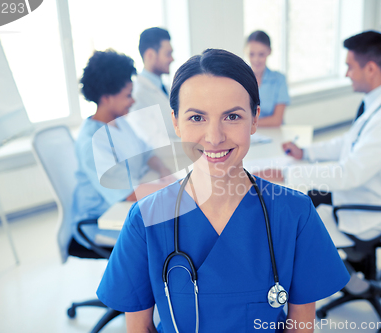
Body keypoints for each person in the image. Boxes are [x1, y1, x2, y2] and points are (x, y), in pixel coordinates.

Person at [96, 49, 349, 332]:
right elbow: (139, 328)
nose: (214, 137)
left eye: (232, 116)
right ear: (176, 122)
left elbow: (301, 327)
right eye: (196, 118)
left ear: (254, 119)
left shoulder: (295, 215)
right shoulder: (145, 219)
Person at [258, 31, 381, 248]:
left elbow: (348, 174)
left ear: (371, 69)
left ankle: (339, 279)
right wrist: (306, 153)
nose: (347, 74)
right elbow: (349, 142)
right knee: (303, 198)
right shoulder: (380, 103)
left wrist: (285, 173)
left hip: (371, 208)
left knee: (291, 222)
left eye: (350, 67)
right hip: (362, 191)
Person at [71, 49, 173, 251]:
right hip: (102, 220)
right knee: (170, 230)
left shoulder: (120, 123)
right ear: (107, 97)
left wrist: (164, 173)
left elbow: (147, 153)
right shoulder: (92, 142)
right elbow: (127, 194)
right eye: (128, 95)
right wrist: (175, 189)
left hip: (126, 207)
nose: (133, 101)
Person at [128, 27, 176, 145]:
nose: (172, 59)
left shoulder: (165, 87)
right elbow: (154, 142)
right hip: (168, 160)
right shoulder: (137, 96)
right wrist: (193, 145)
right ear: (150, 55)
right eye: (168, 54)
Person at [246, 30, 290, 127]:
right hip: (248, 134)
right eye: (252, 54)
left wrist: (248, 124)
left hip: (273, 133)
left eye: (261, 54)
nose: (256, 60)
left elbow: (277, 120)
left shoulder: (279, 79)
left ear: (269, 52)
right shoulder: (240, 79)